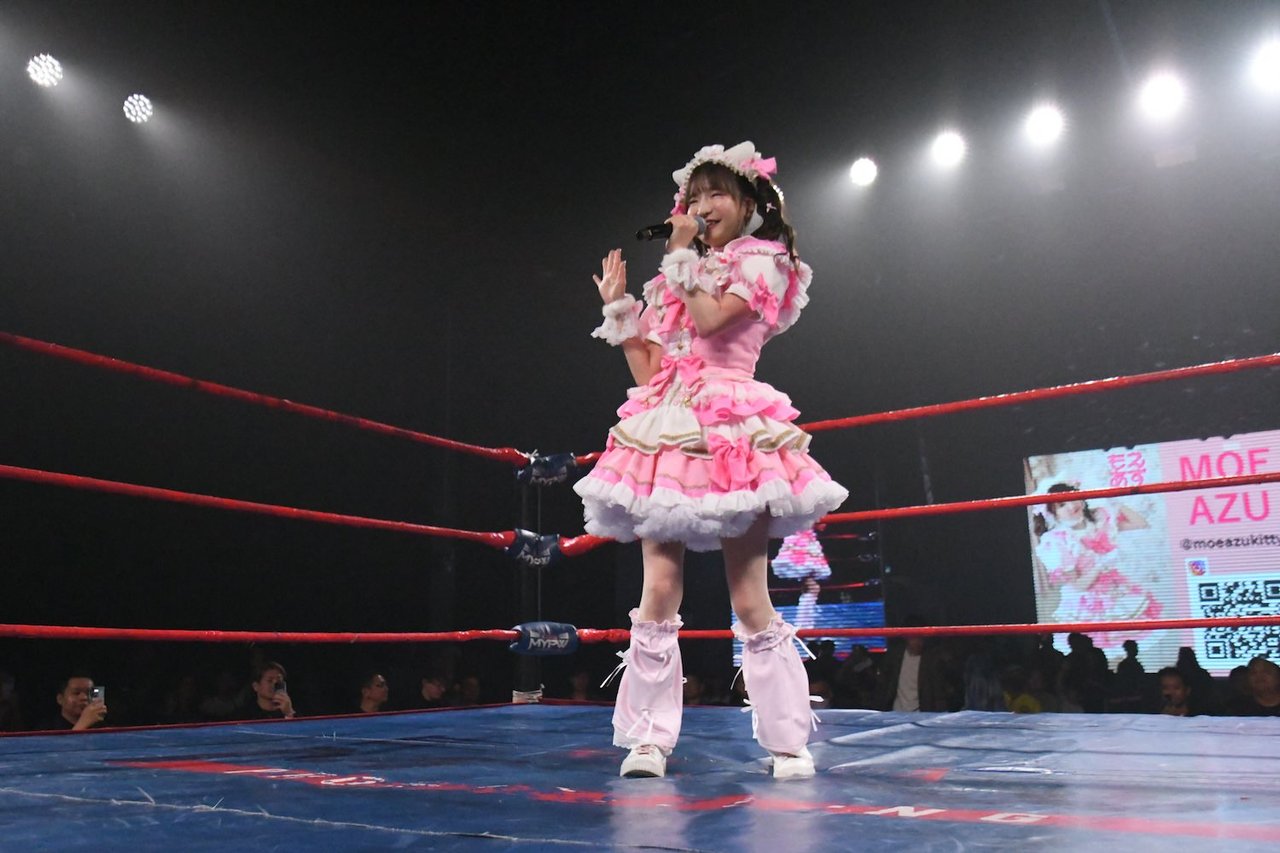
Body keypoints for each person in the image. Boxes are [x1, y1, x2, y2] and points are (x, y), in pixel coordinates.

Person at [575, 142, 848, 779]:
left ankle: (788, 742)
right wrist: (620, 310)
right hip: (667, 429)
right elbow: (651, 371)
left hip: (730, 429)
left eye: (716, 194)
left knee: (748, 595)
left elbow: (712, 321)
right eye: (694, 198)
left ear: (748, 203)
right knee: (657, 589)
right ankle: (647, 739)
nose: (703, 207)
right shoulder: (678, 275)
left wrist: (680, 258)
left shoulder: (762, 262)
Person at [1034, 484, 1160, 648]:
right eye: (1062, 505)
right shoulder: (1059, 540)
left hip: (1117, 590)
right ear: (1053, 514)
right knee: (1099, 647)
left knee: (1131, 643)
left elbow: (1141, 523)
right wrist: (1100, 565)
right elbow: (1078, 585)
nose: (1071, 506)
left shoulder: (1099, 520)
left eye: (1072, 498)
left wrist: (1115, 502)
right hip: (1089, 603)